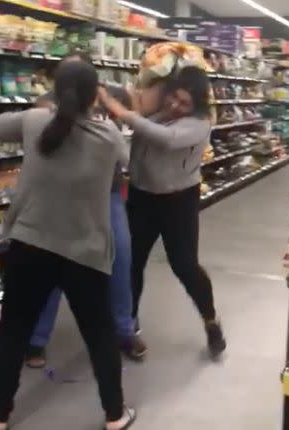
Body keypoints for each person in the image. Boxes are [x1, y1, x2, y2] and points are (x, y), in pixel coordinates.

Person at [0, 61, 136, 430]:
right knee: (99, 334)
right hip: (85, 251)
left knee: (14, 330)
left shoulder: (36, 122)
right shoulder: (109, 135)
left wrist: (44, 108)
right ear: (94, 93)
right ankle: (115, 414)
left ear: (55, 90)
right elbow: (127, 161)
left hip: (30, 244)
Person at [98, 65, 227, 358]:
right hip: (143, 197)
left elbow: (165, 139)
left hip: (178, 202)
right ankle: (128, 329)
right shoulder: (158, 112)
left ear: (196, 106)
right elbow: (138, 134)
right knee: (131, 263)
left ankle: (210, 320)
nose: (175, 106)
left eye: (184, 103)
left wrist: (120, 109)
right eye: (174, 98)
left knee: (185, 265)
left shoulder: (199, 124)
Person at [25, 84, 146, 369]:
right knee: (52, 261)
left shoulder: (112, 97)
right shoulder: (50, 101)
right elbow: (25, 123)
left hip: (107, 192)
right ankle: (36, 338)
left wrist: (115, 108)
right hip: (60, 193)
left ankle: (125, 331)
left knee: (120, 258)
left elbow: (132, 122)